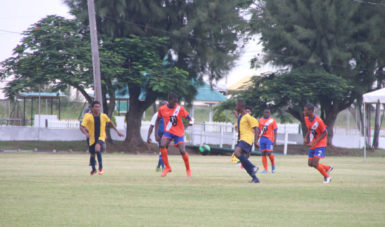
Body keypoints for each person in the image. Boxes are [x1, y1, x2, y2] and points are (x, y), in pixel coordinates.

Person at [80, 101, 124, 175]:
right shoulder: (88, 116)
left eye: (99, 107)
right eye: (96, 107)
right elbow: (82, 126)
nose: (97, 108)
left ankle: (100, 168)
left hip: (101, 136)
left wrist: (117, 131)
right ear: (92, 108)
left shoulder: (103, 116)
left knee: (97, 148)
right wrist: (86, 133)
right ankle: (93, 169)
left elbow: (110, 122)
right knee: (92, 154)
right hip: (91, 137)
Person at [155, 93, 193, 177]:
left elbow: (189, 118)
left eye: (176, 102)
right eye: (174, 102)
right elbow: (157, 120)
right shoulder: (162, 109)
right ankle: (167, 167)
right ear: (169, 101)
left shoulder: (180, 108)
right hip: (168, 132)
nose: (176, 103)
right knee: (162, 145)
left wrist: (191, 122)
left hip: (179, 132)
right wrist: (156, 134)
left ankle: (188, 169)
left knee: (182, 150)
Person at [303, 103, 333, 183]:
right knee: (310, 163)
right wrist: (306, 137)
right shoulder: (306, 118)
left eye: (305, 110)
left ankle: (327, 177)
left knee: (315, 163)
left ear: (310, 111)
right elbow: (310, 129)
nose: (304, 112)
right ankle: (327, 168)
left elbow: (325, 133)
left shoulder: (318, 121)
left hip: (320, 144)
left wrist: (314, 142)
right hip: (313, 144)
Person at [233, 100, 260, 183]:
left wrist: (255, 141)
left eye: (237, 105)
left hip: (247, 139)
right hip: (242, 139)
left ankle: (253, 167)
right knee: (243, 160)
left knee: (237, 153)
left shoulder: (248, 116)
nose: (236, 107)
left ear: (240, 106)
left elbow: (256, 129)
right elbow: (240, 128)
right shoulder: (241, 117)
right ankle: (255, 178)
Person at [147, 101, 168, 172]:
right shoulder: (156, 115)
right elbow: (151, 126)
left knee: (163, 152)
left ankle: (158, 167)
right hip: (159, 136)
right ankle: (163, 168)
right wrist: (148, 137)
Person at [256, 108, 278, 173]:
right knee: (263, 153)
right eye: (266, 112)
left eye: (268, 112)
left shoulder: (272, 121)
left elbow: (275, 131)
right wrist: (256, 140)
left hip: (269, 139)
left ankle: (273, 164)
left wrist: (275, 140)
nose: (267, 114)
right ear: (263, 113)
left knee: (269, 153)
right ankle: (265, 169)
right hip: (262, 138)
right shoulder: (260, 120)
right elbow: (258, 130)